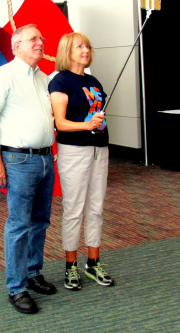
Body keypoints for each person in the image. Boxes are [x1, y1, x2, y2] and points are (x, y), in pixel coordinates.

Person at [0, 24, 56, 314]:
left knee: (40, 221)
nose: (40, 42)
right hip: (18, 161)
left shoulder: (44, 78)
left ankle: (33, 273)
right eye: (34, 38)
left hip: (46, 159)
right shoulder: (3, 76)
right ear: (17, 45)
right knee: (19, 225)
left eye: (41, 38)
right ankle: (16, 288)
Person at [48, 32, 115, 292]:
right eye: (79, 46)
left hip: (100, 149)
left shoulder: (93, 81)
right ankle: (71, 266)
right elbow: (60, 123)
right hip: (74, 151)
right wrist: (87, 125)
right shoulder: (60, 80)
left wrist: (94, 125)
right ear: (67, 51)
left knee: (96, 208)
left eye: (87, 46)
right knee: (74, 209)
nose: (85, 50)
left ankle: (93, 263)